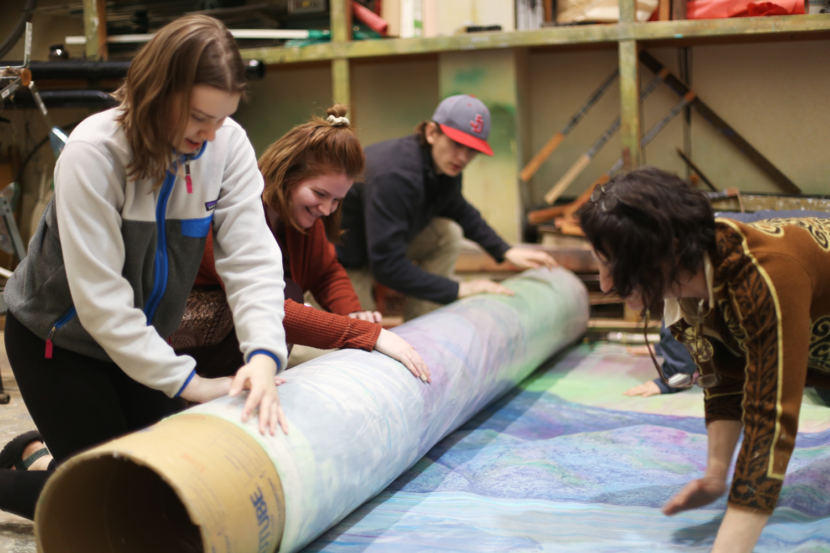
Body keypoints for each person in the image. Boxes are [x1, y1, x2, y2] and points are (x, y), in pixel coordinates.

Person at [0, 14, 289, 520]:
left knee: (168, 488)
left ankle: (37, 455)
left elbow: (252, 259)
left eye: (222, 118)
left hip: (143, 344)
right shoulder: (94, 152)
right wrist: (193, 384)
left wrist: (264, 355)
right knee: (114, 503)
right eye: (198, 117)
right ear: (157, 93)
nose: (210, 135)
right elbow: (102, 304)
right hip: (59, 342)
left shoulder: (226, 144)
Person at [578, 166, 830, 553]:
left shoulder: (766, 276)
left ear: (665, 253)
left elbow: (770, 421)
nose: (605, 283)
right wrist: (715, 476)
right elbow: (724, 377)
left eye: (611, 263)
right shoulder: (696, 284)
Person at [173, 104, 430, 382]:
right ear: (287, 176)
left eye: (337, 200)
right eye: (320, 194)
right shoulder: (232, 209)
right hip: (177, 326)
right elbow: (262, 301)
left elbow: (326, 272)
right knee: (288, 294)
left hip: (254, 319)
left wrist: (353, 313)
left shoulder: (302, 217)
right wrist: (368, 334)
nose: (327, 209)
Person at [337, 94, 557, 320]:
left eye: (472, 150)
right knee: (360, 331)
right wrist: (459, 289)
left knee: (447, 233)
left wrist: (505, 251)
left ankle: (423, 325)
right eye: (457, 144)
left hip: (377, 245)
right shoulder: (396, 175)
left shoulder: (444, 167)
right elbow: (387, 266)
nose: (463, 157)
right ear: (432, 133)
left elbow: (458, 208)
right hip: (345, 260)